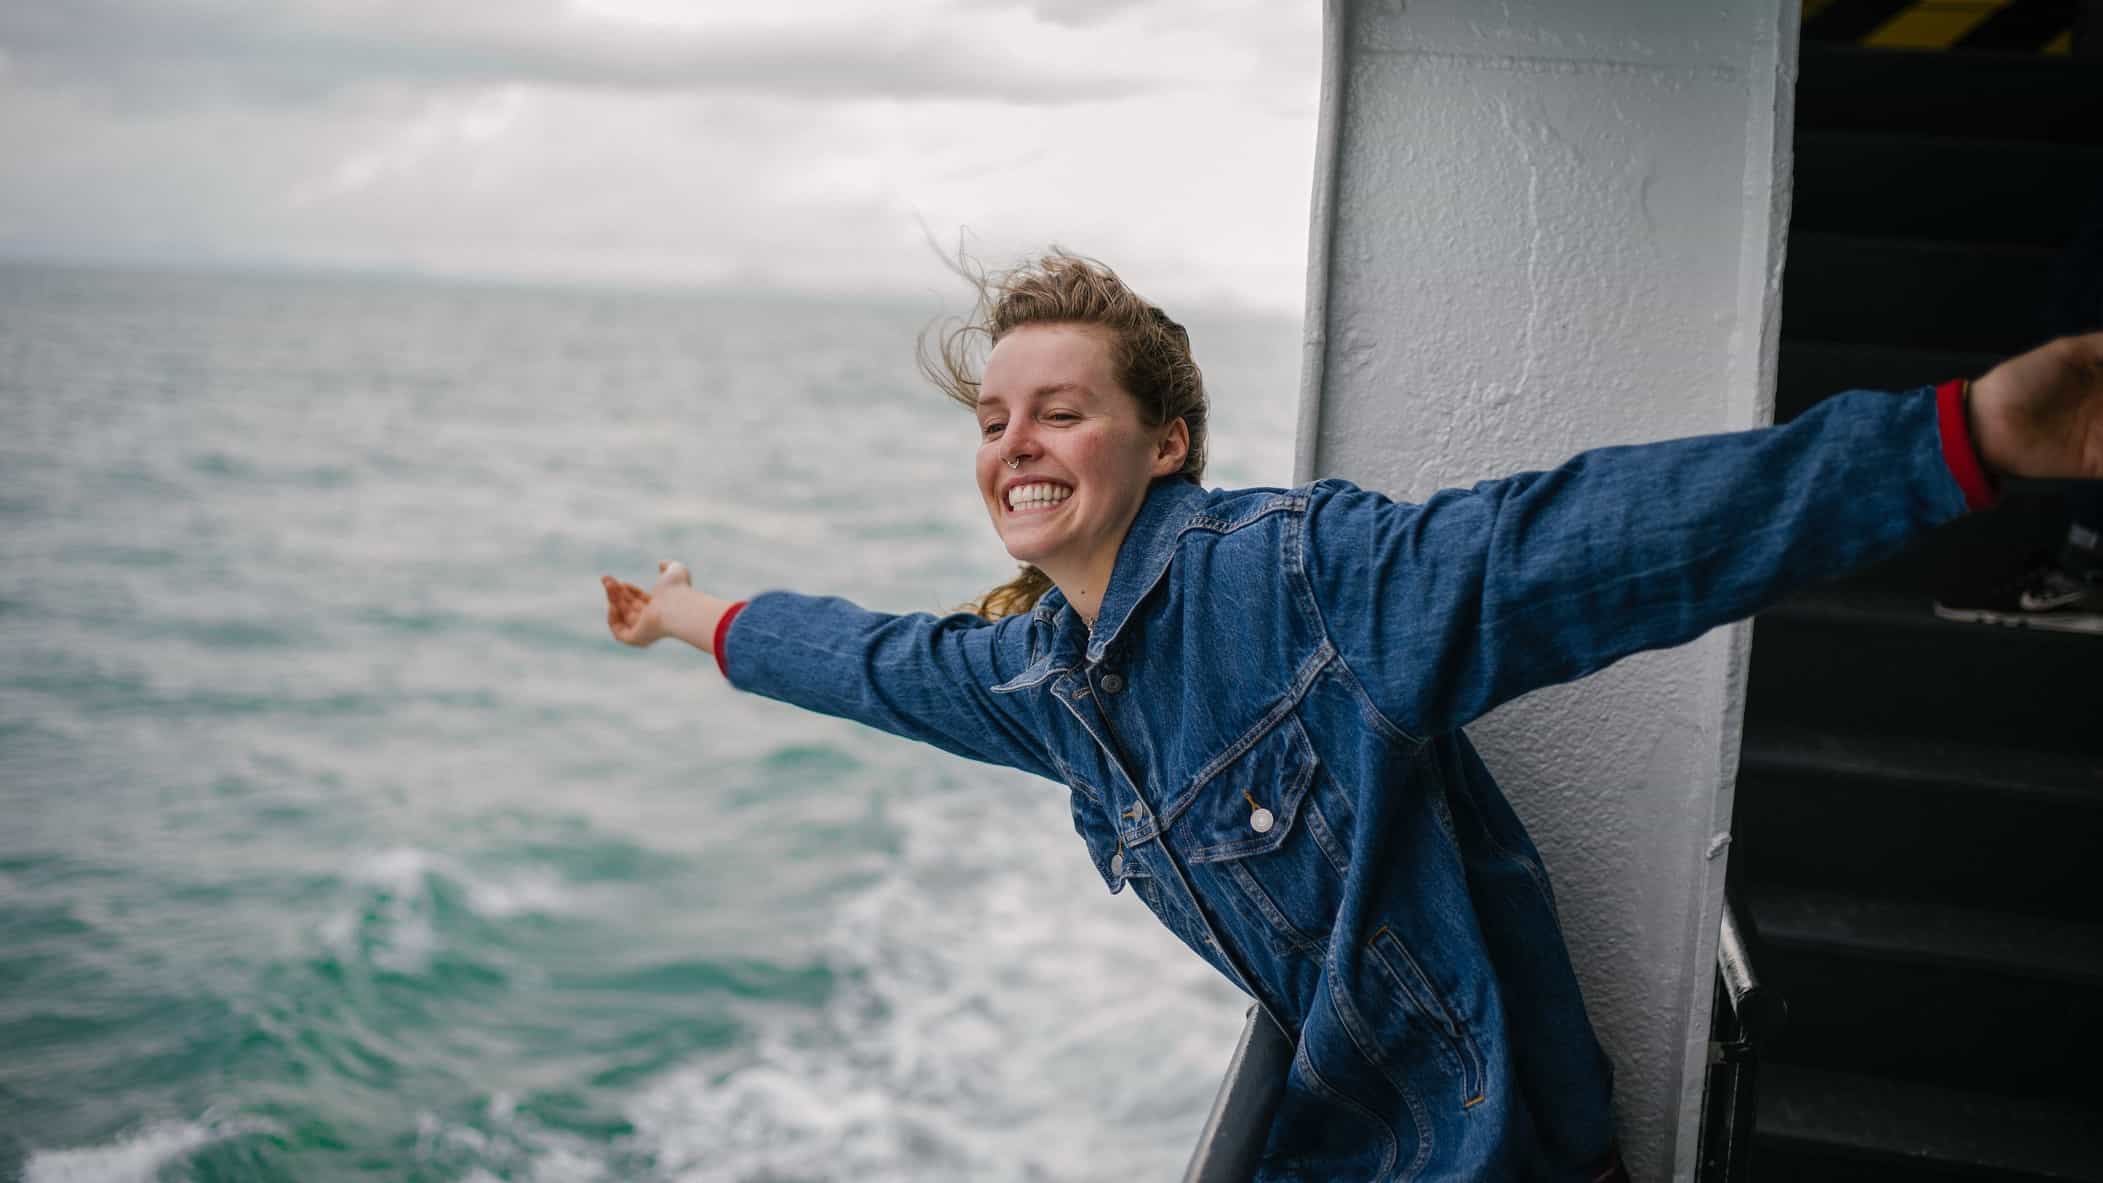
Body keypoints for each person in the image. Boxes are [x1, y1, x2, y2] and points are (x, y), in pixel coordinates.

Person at [600, 253, 2103, 1181]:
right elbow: (872, 660)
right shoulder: (1049, 679)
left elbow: (1590, 542)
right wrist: (688, 617)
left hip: (1485, 1156)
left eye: (1059, 409)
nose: (1014, 445)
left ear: (1165, 441)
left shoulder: (1302, 581)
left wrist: (1965, 438)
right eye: (993, 421)